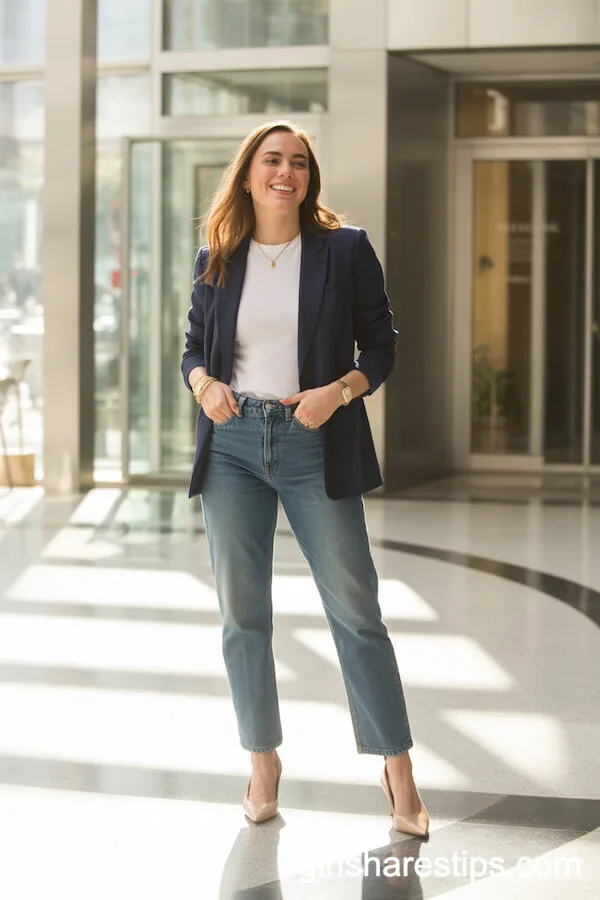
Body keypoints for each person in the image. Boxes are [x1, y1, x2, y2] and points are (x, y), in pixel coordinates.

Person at [181, 120, 429, 837]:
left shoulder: (344, 250)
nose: (284, 172)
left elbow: (382, 345)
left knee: (356, 610)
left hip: (314, 439)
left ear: (308, 177)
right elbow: (194, 347)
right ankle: (263, 759)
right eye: (271, 160)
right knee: (242, 614)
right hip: (232, 444)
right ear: (248, 173)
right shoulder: (218, 255)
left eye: (297, 162)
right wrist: (202, 384)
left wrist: (339, 391)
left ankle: (398, 765)